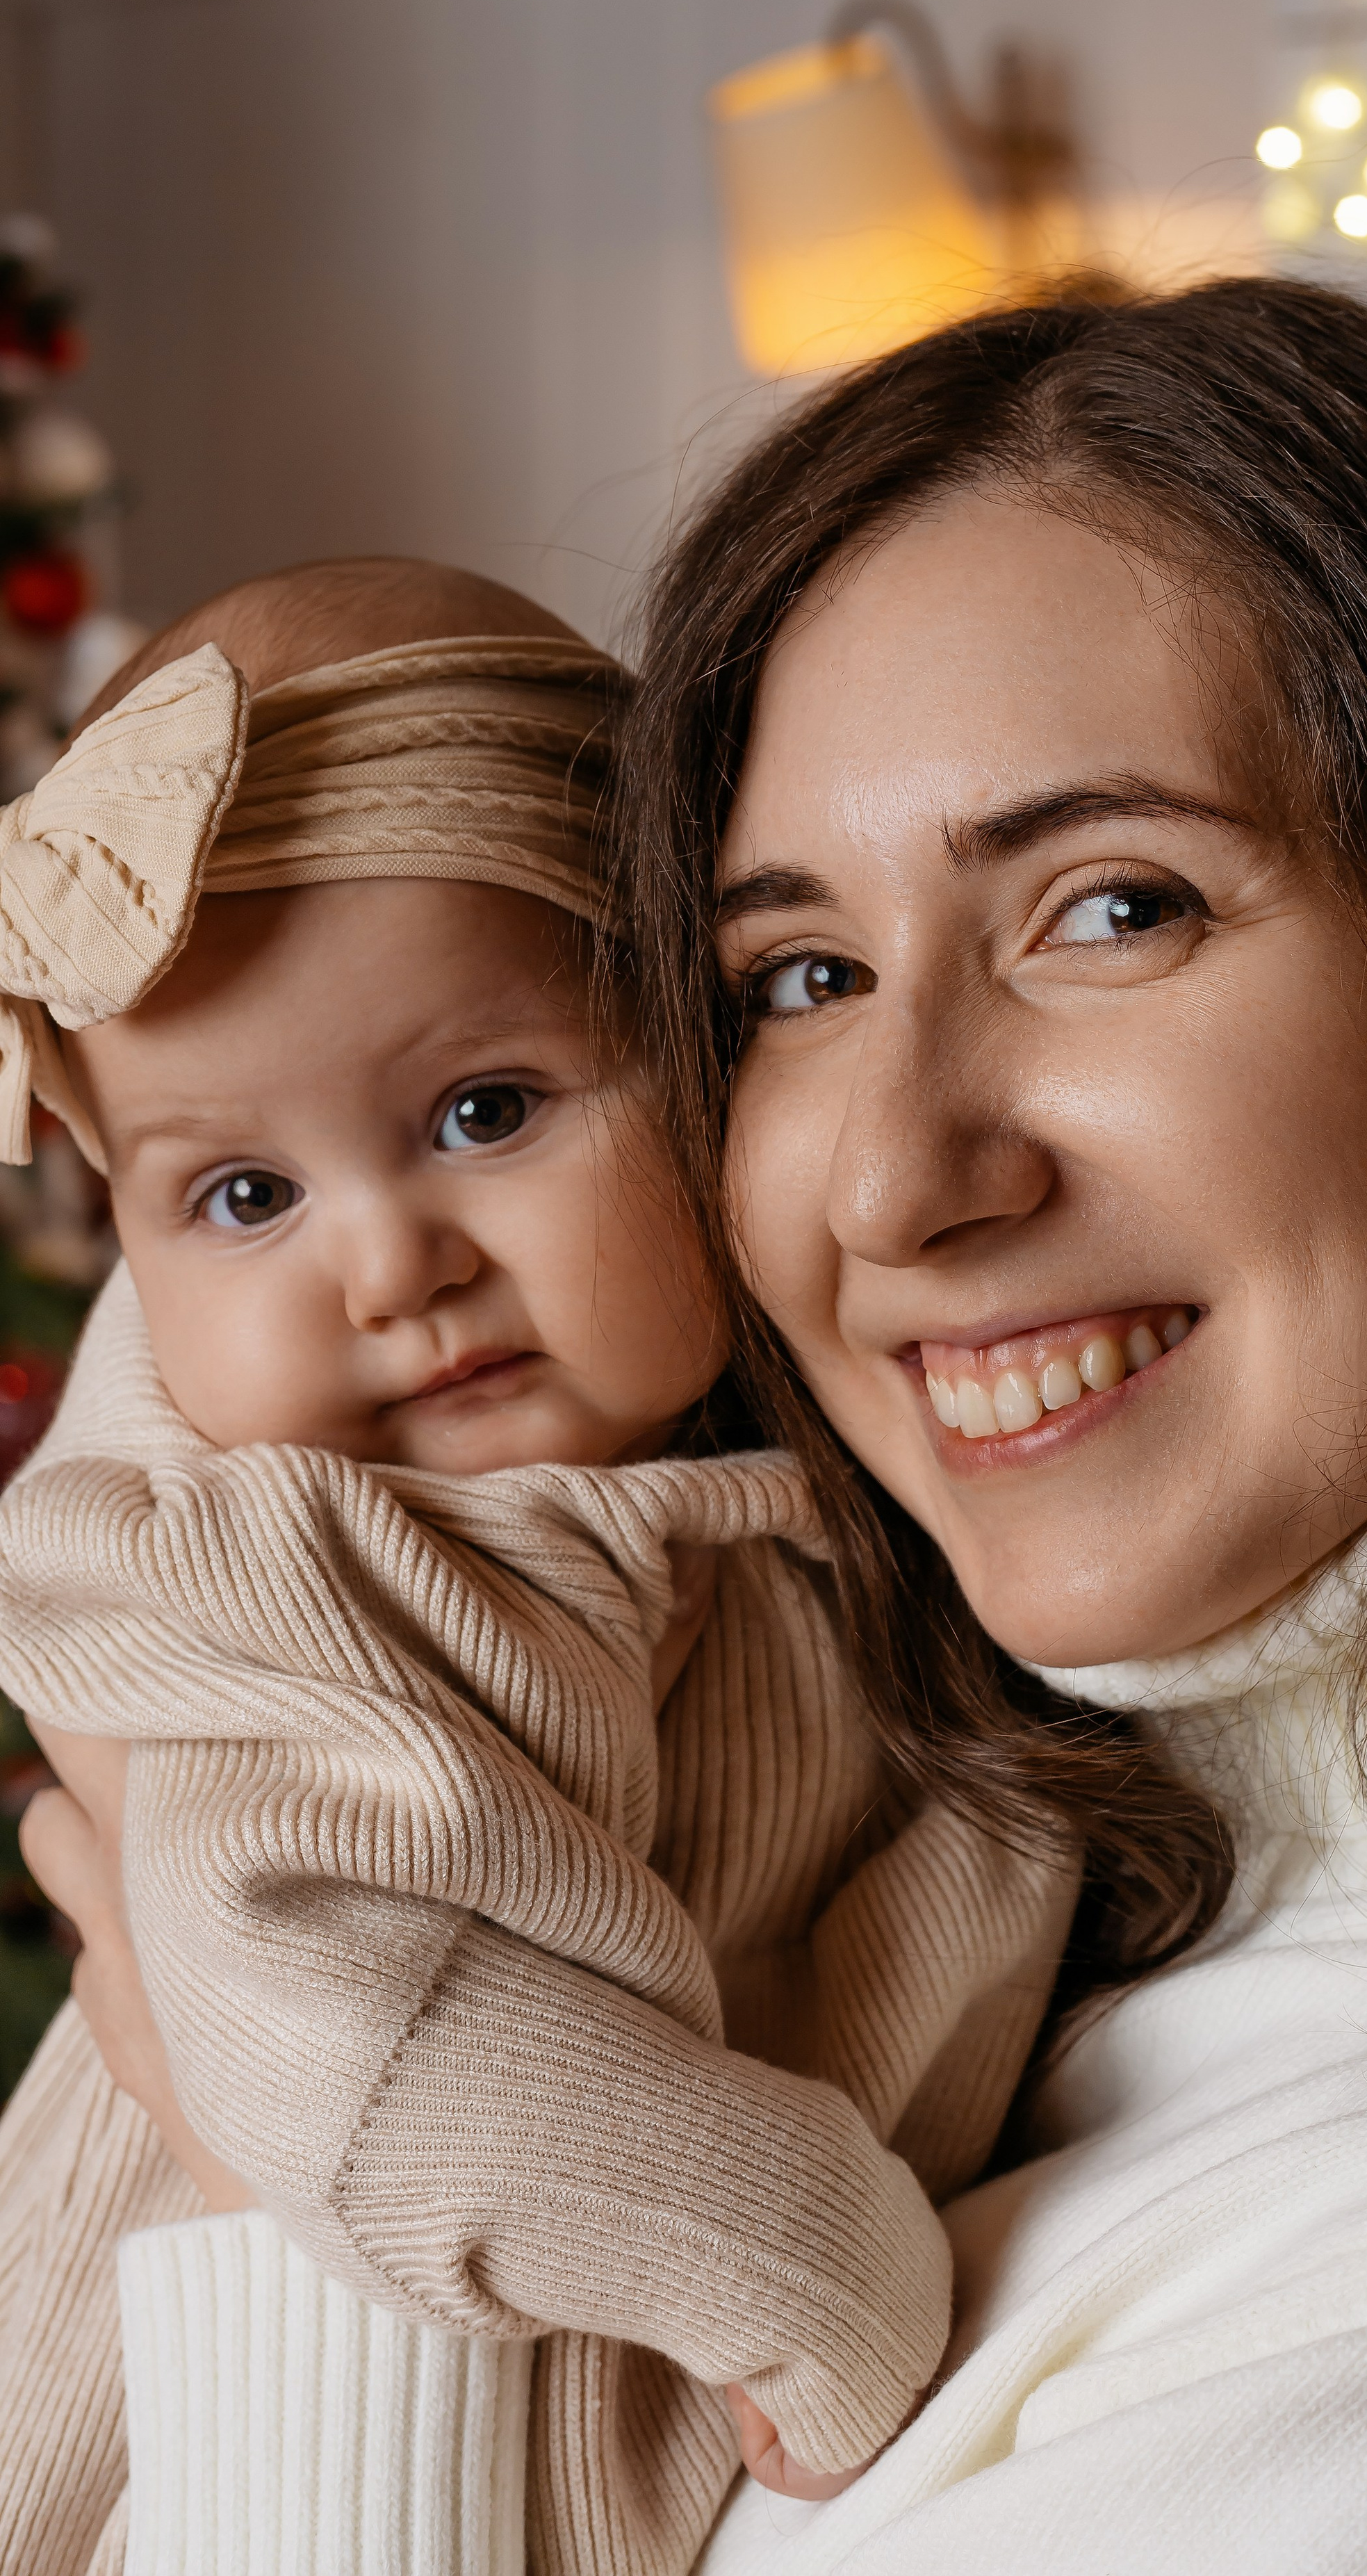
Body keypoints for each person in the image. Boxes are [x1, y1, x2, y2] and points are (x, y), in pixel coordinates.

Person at [38, 277, 1367, 2573]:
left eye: (1111, 908)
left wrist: (298, 2245)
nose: (891, 1179)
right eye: (803, 978)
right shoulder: (1036, 1765)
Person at [0, 557, 1071, 2576]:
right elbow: (356, 2058)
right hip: (222, 2475)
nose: (389, 1266)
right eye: (244, 1193)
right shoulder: (306, 1571)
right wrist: (815, 2265)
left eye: (486, 1111)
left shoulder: (769, 1463)